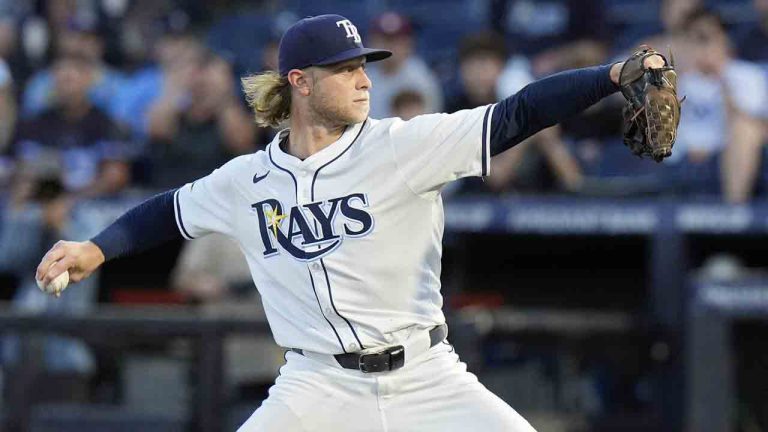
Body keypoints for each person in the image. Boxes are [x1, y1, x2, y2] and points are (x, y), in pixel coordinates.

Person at [35, 14, 667, 431]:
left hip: (427, 377)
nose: (364, 79)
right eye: (346, 69)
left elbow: (517, 114)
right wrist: (94, 249)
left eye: (364, 65)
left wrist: (610, 76)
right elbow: (166, 212)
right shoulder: (244, 180)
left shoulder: (402, 144)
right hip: (315, 386)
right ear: (300, 83)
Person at [364, 11, 443, 118]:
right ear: (373, 42)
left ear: (409, 43)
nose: (389, 46)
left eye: (396, 40)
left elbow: (428, 124)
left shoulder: (420, 78)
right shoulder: (363, 77)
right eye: (385, 40)